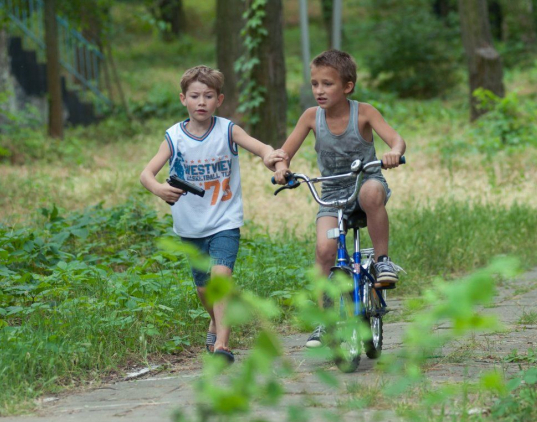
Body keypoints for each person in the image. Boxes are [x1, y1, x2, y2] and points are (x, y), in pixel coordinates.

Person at [141, 65, 287, 363]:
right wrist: (158, 189)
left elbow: (261, 148)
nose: (201, 102)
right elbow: (146, 173)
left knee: (220, 280)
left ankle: (222, 344)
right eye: (195, 96)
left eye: (208, 96)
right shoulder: (174, 137)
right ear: (183, 99)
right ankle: (215, 320)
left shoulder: (228, 130)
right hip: (190, 227)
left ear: (219, 100)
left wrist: (271, 156)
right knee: (204, 290)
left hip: (224, 221)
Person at [273, 49, 406, 348]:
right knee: (324, 250)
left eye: (327, 84)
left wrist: (393, 152)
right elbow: (284, 153)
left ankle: (383, 261)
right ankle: (325, 323)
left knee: (372, 193)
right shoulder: (311, 117)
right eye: (314, 84)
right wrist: (282, 168)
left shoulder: (365, 112)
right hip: (332, 194)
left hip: (366, 182)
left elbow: (396, 139)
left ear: (347, 86)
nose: (319, 91)